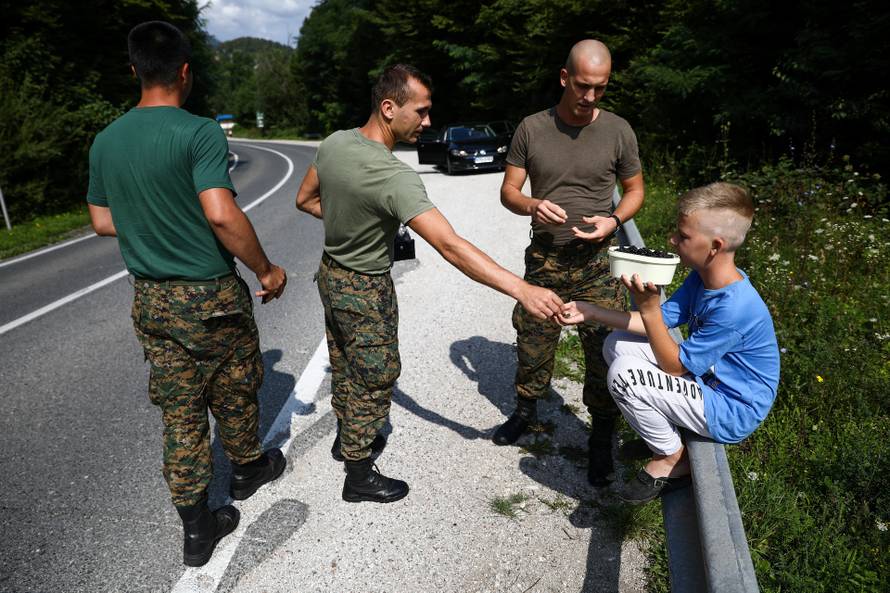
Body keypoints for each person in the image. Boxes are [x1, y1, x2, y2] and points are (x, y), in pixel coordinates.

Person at [296, 64, 564, 504]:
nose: (427, 122)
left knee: (344, 361)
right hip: (365, 286)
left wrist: (355, 221)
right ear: (388, 108)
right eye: (420, 112)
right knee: (378, 374)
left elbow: (305, 200)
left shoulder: (335, 143)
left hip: (330, 274)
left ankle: (347, 438)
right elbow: (452, 247)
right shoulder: (395, 176)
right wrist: (523, 290)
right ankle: (359, 475)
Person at [86, 21, 288, 566]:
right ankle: (247, 469)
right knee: (236, 383)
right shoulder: (199, 132)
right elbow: (221, 214)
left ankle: (198, 528)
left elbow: (102, 220)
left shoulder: (106, 140)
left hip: (151, 298)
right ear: (184, 71)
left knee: (180, 412)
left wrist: (152, 221)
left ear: (134, 71)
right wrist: (267, 271)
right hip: (210, 294)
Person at [558, 182, 780, 503]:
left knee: (624, 374)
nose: (672, 240)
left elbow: (673, 367)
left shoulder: (735, 307)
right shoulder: (703, 277)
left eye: (683, 236)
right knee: (616, 345)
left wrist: (647, 308)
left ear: (715, 246)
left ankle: (673, 458)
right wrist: (592, 311)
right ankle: (666, 439)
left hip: (732, 409)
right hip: (709, 383)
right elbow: (659, 321)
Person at [495, 39, 645, 487]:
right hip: (546, 260)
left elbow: (635, 190)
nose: (591, 96)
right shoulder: (531, 128)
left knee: (604, 351)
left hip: (598, 263)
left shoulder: (619, 130)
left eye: (600, 88)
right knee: (534, 342)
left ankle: (601, 437)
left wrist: (614, 219)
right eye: (583, 86)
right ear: (565, 78)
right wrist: (531, 205)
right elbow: (508, 191)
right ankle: (526, 411)